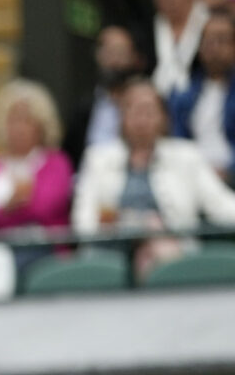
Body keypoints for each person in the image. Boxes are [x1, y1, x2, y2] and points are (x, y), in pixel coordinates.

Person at [72, 76, 235, 273]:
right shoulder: (97, 158)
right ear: (121, 116)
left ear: (164, 117)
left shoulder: (187, 156)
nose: (142, 119)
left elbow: (222, 205)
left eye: (149, 111)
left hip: (173, 256)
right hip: (110, 256)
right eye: (134, 110)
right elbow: (82, 222)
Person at [0, 79, 72, 234]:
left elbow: (45, 210)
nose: (19, 128)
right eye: (13, 120)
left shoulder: (56, 163)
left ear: (42, 126)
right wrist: (8, 208)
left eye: (27, 120)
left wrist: (2, 213)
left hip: (46, 250)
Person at [168, 11, 235, 182]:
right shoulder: (182, 92)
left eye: (221, 40)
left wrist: (228, 170)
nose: (214, 47)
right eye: (208, 40)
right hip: (192, 177)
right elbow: (177, 141)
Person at [66, 25, 143, 167]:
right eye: (109, 52)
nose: (114, 61)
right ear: (98, 56)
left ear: (134, 57)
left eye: (121, 53)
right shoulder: (84, 108)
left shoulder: (147, 103)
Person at [152, 0, 210, 99]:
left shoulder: (210, 21)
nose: (170, 1)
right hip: (158, 94)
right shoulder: (152, 25)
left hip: (203, 93)